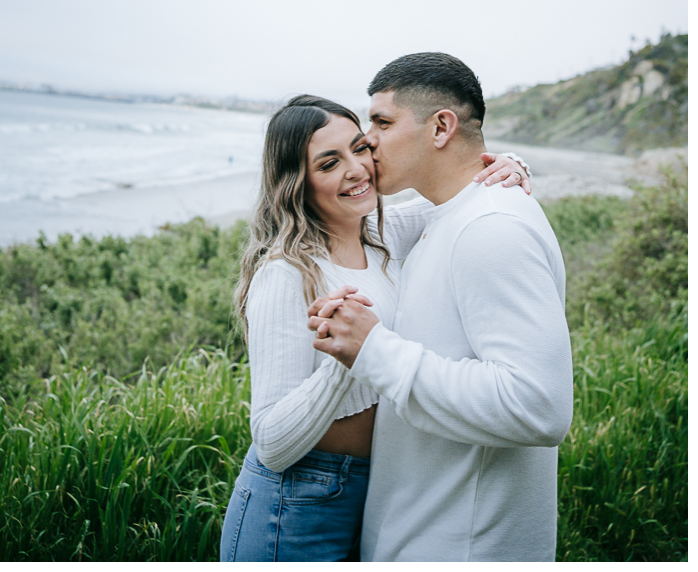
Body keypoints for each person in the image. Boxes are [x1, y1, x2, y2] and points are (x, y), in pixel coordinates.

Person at [219, 93, 531, 562]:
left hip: (377, 489)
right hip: (294, 504)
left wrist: (512, 165)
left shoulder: (386, 234)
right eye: (329, 163)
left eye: (360, 147)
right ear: (297, 184)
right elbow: (271, 443)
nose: (356, 169)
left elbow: (462, 194)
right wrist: (345, 361)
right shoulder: (288, 273)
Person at [308, 52, 574, 562]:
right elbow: (335, 223)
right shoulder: (448, 216)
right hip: (427, 533)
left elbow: (539, 406)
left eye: (382, 122)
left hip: (462, 545)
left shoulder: (491, 229)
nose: (367, 140)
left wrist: (375, 350)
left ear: (441, 127)